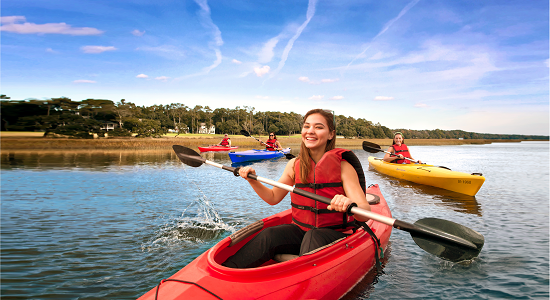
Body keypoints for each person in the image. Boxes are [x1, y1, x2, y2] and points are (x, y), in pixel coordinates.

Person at [222, 109, 371, 269]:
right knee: (269, 234)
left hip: (335, 235)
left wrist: (349, 204)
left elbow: (364, 212)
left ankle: (300, 285)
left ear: (331, 134)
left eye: (319, 127)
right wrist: (252, 180)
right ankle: (225, 273)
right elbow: (273, 198)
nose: (310, 131)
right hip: (302, 231)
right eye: (306, 126)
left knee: (314, 236)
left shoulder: (343, 166)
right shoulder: (294, 165)